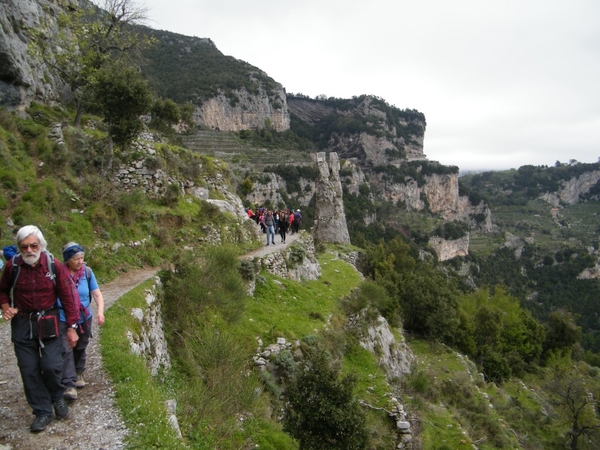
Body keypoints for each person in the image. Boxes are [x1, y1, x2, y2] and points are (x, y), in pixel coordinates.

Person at [0, 225, 79, 432]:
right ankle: (42, 412)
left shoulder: (53, 265)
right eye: (24, 246)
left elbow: (68, 297)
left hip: (49, 322)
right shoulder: (13, 266)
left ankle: (56, 397)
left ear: (41, 246)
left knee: (52, 365)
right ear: (19, 247)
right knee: (29, 369)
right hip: (23, 324)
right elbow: (2, 290)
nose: (29, 250)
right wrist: (6, 306)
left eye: (33, 245)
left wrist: (71, 327)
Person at [60, 242, 105, 401]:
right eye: (76, 259)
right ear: (67, 260)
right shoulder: (59, 274)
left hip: (84, 317)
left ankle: (78, 371)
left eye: (82, 258)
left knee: (80, 345)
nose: (80, 262)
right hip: (63, 318)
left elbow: (97, 294)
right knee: (65, 348)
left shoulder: (87, 272)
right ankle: (69, 384)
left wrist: (100, 312)